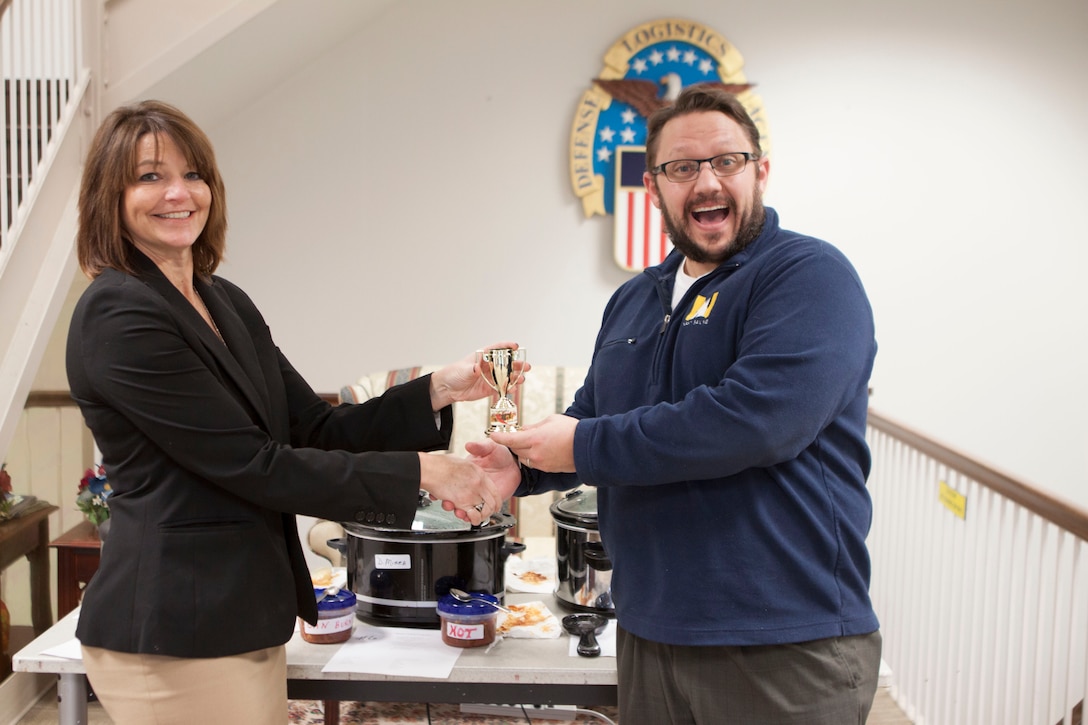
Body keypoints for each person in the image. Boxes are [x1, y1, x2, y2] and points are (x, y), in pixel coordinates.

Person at [66, 99, 513, 724]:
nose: (179, 192)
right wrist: (422, 472)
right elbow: (254, 465)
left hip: (238, 616)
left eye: (194, 174)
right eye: (149, 176)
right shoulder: (119, 315)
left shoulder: (223, 300)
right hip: (175, 629)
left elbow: (315, 429)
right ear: (109, 196)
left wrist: (437, 387)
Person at [468, 85, 881, 724]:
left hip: (783, 641)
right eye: (682, 168)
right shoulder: (636, 298)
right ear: (654, 186)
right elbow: (596, 415)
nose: (706, 182)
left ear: (760, 172)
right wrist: (522, 468)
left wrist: (580, 445)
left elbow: (755, 422)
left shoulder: (808, 276)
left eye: (727, 162)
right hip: (649, 630)